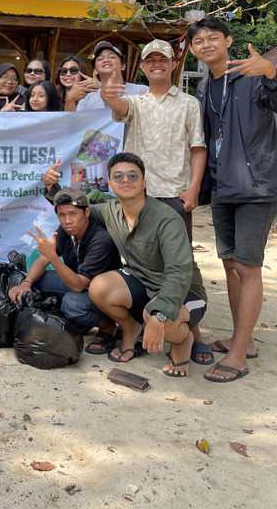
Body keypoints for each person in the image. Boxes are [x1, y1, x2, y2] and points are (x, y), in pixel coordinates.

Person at [99, 38, 211, 364]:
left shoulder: (189, 103)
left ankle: (192, 331)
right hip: (138, 195)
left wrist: (194, 189)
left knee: (181, 265)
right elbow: (118, 108)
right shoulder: (135, 102)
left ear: (173, 64)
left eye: (163, 59)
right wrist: (109, 92)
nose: (157, 63)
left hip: (174, 195)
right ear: (144, 67)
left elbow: (198, 148)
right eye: (151, 60)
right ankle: (139, 319)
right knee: (139, 262)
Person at [188, 15, 277, 383]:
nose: (206, 44)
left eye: (212, 38)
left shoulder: (252, 74)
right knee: (228, 263)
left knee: (248, 266)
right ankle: (246, 339)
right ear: (193, 50)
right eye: (198, 41)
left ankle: (239, 354)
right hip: (224, 186)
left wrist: (271, 74)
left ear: (228, 41)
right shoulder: (206, 89)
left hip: (257, 186)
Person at [87, 153, 207, 378]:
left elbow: (179, 273)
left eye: (133, 176)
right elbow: (78, 210)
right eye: (118, 176)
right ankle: (132, 327)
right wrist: (52, 189)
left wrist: (159, 314)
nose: (126, 180)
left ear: (144, 184)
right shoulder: (109, 210)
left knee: (163, 316)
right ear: (110, 185)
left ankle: (184, 340)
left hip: (184, 291)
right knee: (99, 286)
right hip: (143, 283)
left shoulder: (168, 219)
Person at [8, 189, 121, 343]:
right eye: (62, 215)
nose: (67, 220)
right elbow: (42, 260)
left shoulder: (101, 240)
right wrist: (26, 283)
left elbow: (78, 286)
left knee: (72, 303)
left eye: (73, 214)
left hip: (104, 295)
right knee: (37, 280)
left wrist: (53, 257)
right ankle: (77, 320)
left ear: (86, 212)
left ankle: (108, 326)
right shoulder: (65, 231)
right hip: (79, 285)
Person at [65, 41, 147, 112]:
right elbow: (76, 126)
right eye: (100, 59)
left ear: (123, 66)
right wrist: (70, 100)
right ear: (95, 70)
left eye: (112, 57)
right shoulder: (87, 100)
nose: (106, 60)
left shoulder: (142, 91)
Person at [0, 29, 50, 93]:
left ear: (46, 75)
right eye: (28, 70)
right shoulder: (18, 92)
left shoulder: (50, 97)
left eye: (37, 71)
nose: (32, 73)